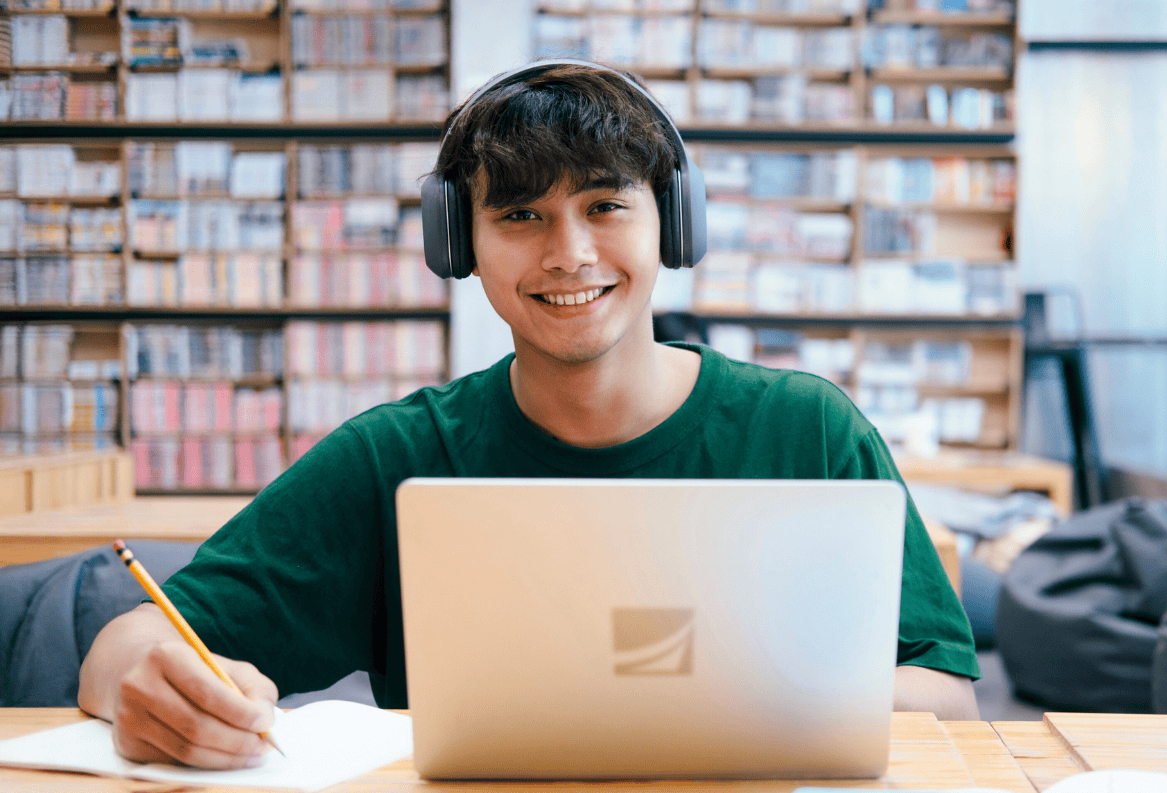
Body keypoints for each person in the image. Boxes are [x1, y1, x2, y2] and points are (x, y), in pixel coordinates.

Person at [79, 61, 980, 771]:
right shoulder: (399, 457)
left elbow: (950, 699)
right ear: (457, 243)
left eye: (603, 204)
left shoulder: (807, 431)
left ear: (671, 221)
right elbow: (127, 643)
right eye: (520, 214)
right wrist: (150, 687)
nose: (570, 254)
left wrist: (729, 709)